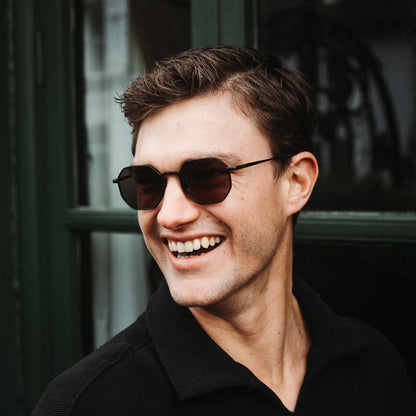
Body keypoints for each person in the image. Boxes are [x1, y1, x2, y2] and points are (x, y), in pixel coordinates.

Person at [33, 45, 415, 415]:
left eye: (208, 176)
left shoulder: (374, 366)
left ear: (295, 183)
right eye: (146, 184)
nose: (170, 216)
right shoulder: (89, 404)